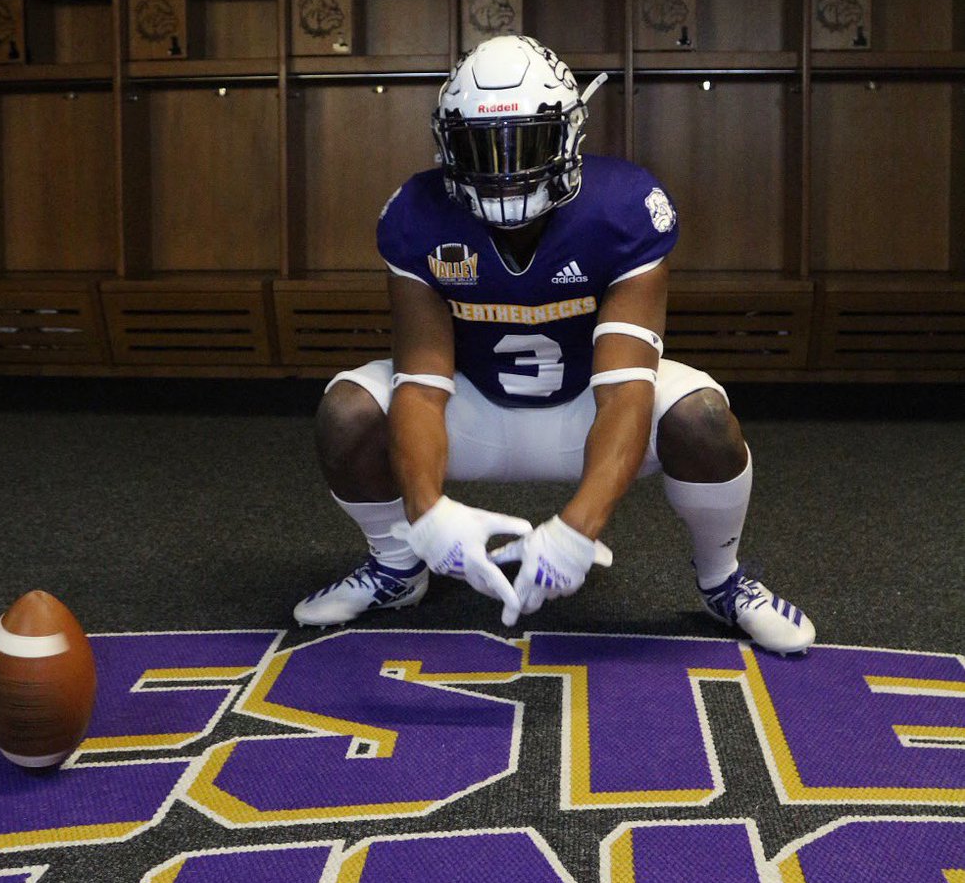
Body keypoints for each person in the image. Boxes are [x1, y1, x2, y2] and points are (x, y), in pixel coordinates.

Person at [294, 34, 814, 655]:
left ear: (568, 136)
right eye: (481, 148)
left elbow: (625, 393)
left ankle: (724, 582)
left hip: (588, 406)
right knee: (347, 412)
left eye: (525, 142)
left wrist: (577, 529)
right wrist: (428, 511)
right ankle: (398, 567)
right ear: (445, 145)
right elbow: (423, 383)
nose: (504, 168)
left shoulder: (622, 209)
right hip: (474, 404)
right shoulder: (420, 213)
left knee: (703, 421)